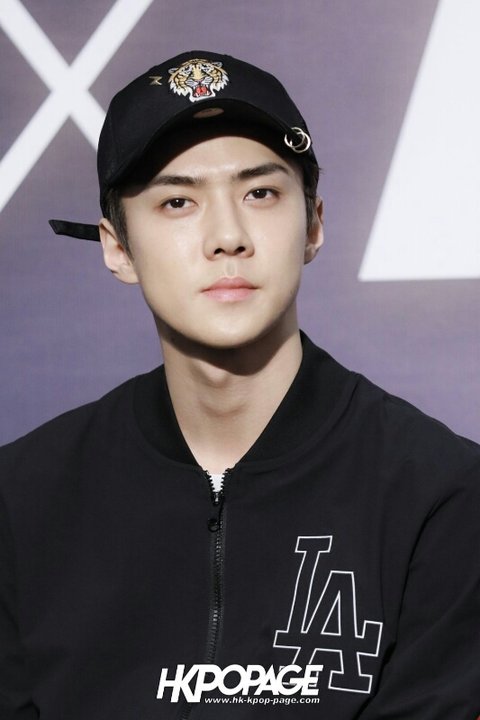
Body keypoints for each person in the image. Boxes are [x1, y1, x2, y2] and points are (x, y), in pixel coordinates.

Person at [0, 50, 479, 720]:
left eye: (260, 194)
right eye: (177, 201)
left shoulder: (444, 496)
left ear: (313, 224)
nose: (227, 237)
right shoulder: (22, 498)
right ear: (117, 247)